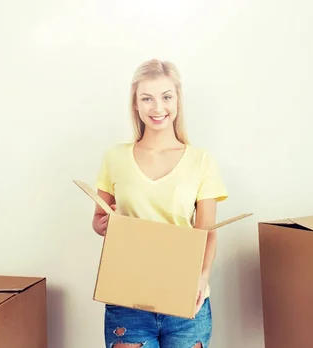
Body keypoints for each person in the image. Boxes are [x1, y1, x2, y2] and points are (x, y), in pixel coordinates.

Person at [91, 58, 228, 348]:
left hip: (185, 299)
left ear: (177, 100)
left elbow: (208, 232)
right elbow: (98, 220)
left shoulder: (200, 161)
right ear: (136, 105)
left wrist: (202, 278)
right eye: (147, 98)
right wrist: (101, 224)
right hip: (127, 301)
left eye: (166, 97)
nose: (157, 108)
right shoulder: (114, 158)